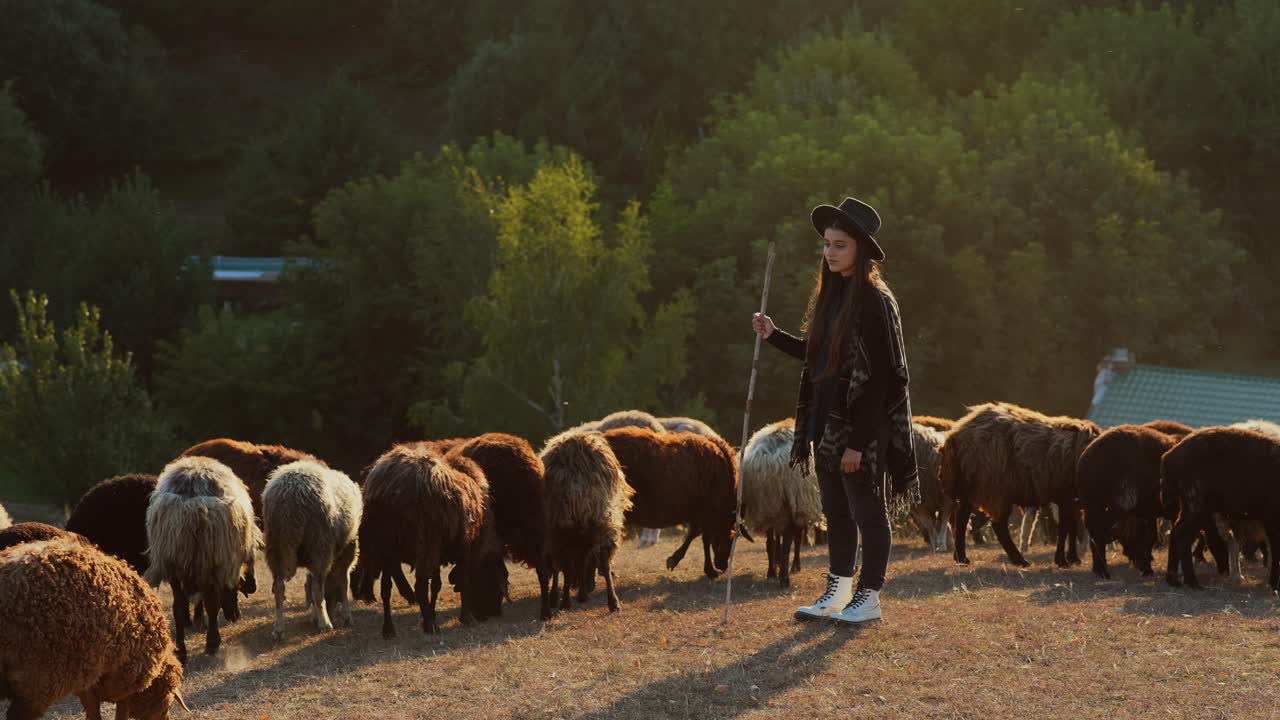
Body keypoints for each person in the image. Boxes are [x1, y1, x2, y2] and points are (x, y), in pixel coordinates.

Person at [751, 196, 918, 625]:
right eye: (827, 244)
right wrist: (774, 335)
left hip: (861, 427)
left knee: (868, 511)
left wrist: (858, 443)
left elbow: (882, 378)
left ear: (861, 250)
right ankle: (838, 592)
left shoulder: (875, 301)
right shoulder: (834, 296)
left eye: (840, 245)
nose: (830, 252)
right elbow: (817, 356)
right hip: (825, 424)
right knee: (837, 512)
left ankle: (869, 596)